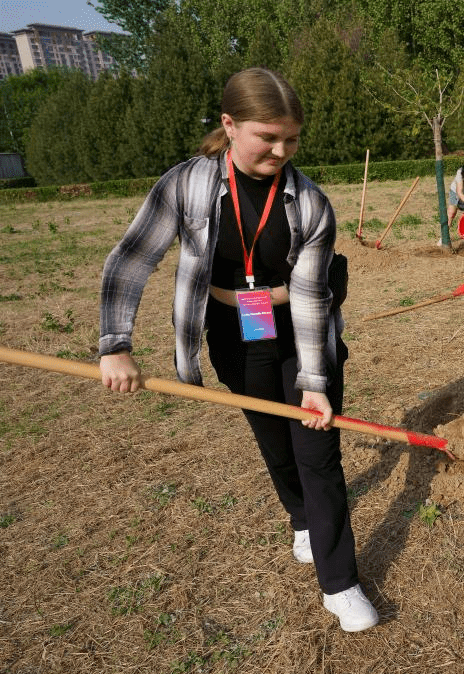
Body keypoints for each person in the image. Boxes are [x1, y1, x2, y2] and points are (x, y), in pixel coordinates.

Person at [97, 67, 378, 632]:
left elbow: (309, 297)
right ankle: (301, 519)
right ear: (229, 125)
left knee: (317, 454)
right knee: (272, 438)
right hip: (232, 331)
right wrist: (115, 345)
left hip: (300, 328)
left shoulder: (311, 203)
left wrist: (316, 384)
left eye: (291, 138)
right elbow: (132, 259)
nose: (281, 150)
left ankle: (340, 582)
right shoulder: (185, 186)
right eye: (267, 137)